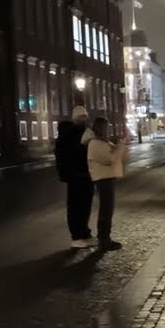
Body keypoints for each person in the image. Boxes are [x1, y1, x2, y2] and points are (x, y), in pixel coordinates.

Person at [56, 105, 95, 249]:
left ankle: (85, 233)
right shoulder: (68, 135)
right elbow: (65, 156)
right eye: (81, 117)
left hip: (85, 174)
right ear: (75, 118)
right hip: (76, 175)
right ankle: (77, 236)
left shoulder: (84, 132)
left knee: (85, 206)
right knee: (76, 207)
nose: (83, 119)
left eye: (85, 116)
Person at [84, 116, 124, 251]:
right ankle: (104, 239)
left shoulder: (101, 142)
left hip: (106, 178)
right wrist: (118, 149)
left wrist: (117, 147)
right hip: (103, 179)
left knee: (107, 209)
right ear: (101, 128)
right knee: (106, 210)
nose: (108, 130)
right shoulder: (96, 143)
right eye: (106, 127)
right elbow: (110, 159)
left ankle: (105, 237)